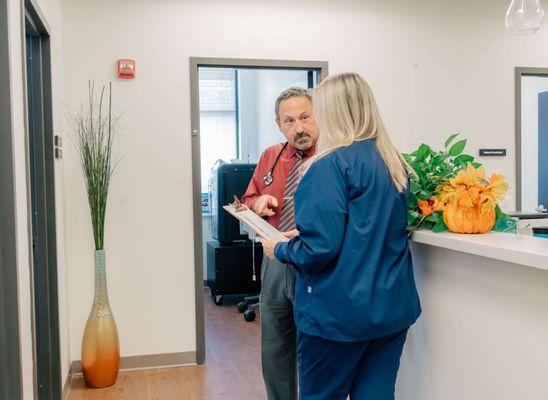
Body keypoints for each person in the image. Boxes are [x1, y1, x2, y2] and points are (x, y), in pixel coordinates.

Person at [261, 73, 422, 400]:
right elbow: (365, 228)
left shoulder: (328, 166)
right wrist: (306, 235)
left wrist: (281, 248)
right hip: (390, 311)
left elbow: (318, 251)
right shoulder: (394, 162)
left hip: (339, 317)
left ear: (333, 112)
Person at [240, 87, 319, 400]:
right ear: (278, 124)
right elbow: (246, 199)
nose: (298, 128)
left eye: (304, 117)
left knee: (313, 349)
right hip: (274, 260)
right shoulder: (271, 157)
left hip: (313, 263)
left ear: (317, 117)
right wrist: (259, 203)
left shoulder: (331, 157)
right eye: (289, 121)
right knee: (274, 348)